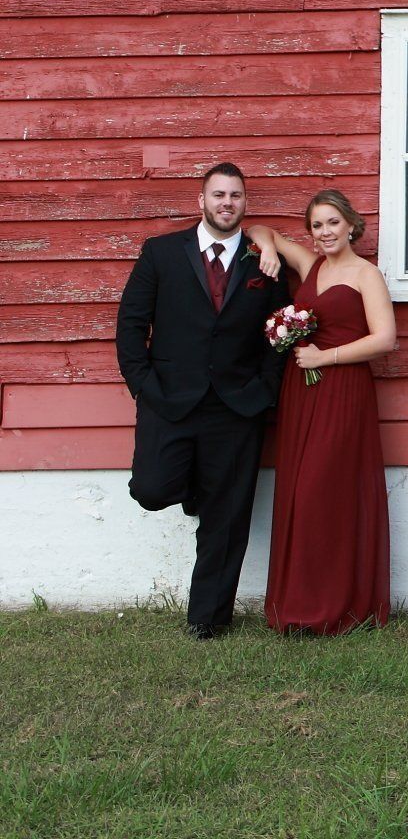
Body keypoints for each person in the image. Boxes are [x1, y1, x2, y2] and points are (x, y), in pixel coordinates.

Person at [115, 163, 290, 640]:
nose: (226, 202)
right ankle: (193, 488)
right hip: (169, 400)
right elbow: (131, 324)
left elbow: (281, 333)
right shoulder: (161, 253)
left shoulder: (265, 264)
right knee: (151, 488)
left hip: (237, 406)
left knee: (227, 516)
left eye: (235, 195)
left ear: (244, 204)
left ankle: (208, 619)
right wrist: (143, 386)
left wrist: (265, 391)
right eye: (218, 194)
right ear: (202, 200)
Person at [250, 190, 396, 634]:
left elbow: (385, 339)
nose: (325, 232)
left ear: (351, 225)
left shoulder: (365, 274)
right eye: (316, 225)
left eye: (333, 223)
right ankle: (298, 600)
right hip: (303, 392)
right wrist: (272, 248)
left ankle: (335, 603)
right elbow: (259, 230)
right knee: (299, 489)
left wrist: (324, 358)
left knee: (325, 490)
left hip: (343, 389)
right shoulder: (310, 266)